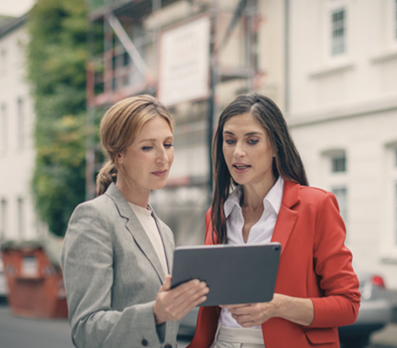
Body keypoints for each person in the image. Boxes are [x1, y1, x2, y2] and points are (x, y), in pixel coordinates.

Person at [188, 93, 361, 348]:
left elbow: (348, 304)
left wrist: (277, 306)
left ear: (275, 146)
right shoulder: (217, 215)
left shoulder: (316, 206)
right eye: (229, 140)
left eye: (252, 140)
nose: (238, 152)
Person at [61, 95, 209, 348]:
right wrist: (155, 314)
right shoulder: (94, 219)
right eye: (148, 147)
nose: (163, 157)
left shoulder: (164, 231)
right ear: (119, 155)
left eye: (168, 144)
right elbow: (86, 330)